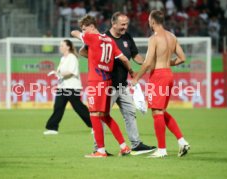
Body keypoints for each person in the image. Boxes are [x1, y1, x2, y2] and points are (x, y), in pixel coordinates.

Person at [80, 12, 156, 155]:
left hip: (123, 84)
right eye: (122, 24)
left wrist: (146, 63)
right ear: (113, 23)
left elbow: (134, 56)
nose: (125, 27)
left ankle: (135, 144)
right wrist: (101, 61)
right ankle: (99, 148)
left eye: (126, 24)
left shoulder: (127, 37)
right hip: (108, 84)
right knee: (101, 115)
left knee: (130, 113)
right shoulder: (103, 37)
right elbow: (83, 51)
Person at [71, 15, 132, 158]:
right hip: (108, 82)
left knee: (93, 115)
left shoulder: (92, 38)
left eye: (85, 29)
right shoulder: (110, 40)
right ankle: (124, 147)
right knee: (105, 115)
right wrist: (131, 72)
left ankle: (101, 151)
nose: (84, 32)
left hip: (96, 82)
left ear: (92, 27)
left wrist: (80, 34)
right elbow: (123, 58)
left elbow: (74, 33)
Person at [131, 10, 190, 158]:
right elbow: (182, 58)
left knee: (157, 113)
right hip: (169, 75)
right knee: (161, 111)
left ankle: (162, 149)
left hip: (158, 77)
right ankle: (182, 141)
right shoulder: (172, 36)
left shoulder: (154, 39)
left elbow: (147, 63)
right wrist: (166, 63)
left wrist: (136, 78)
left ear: (152, 22)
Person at [44, 39, 92, 135]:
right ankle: (52, 128)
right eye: (60, 45)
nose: (60, 47)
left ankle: (95, 125)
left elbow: (70, 72)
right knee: (58, 107)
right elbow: (61, 72)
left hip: (72, 88)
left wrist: (58, 73)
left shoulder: (72, 58)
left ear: (68, 47)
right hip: (62, 87)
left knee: (79, 108)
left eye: (62, 45)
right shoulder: (63, 58)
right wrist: (57, 73)